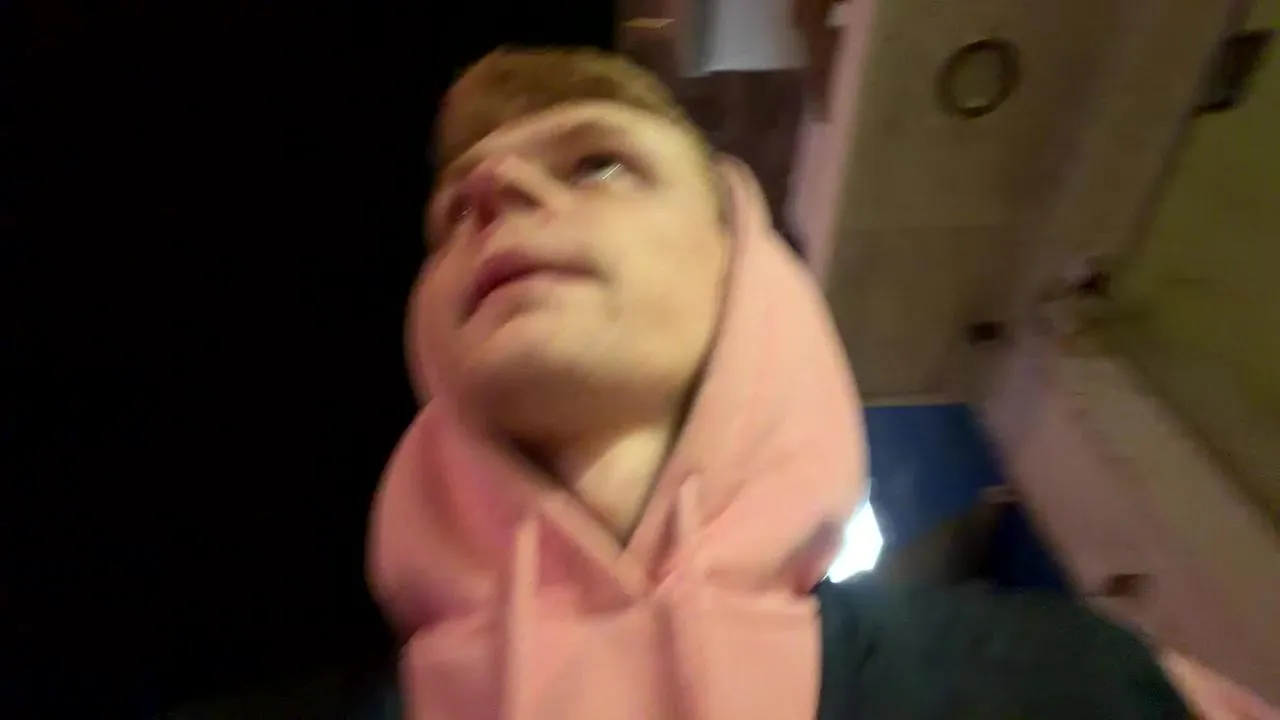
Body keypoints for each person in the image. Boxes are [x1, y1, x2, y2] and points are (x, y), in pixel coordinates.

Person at [367, 46, 1233, 720]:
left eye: (598, 164)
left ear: (745, 274)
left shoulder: (1080, 690)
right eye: (454, 212)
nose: (492, 190)